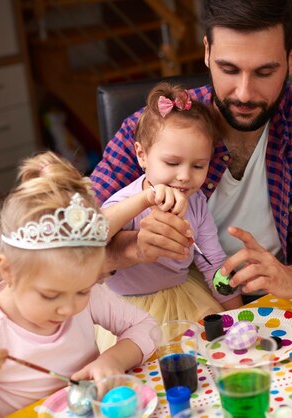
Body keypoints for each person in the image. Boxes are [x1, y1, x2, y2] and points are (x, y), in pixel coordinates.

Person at [90, 0, 292, 299]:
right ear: (207, 53)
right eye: (229, 69)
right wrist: (133, 249)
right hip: (175, 313)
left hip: (281, 307)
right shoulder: (153, 130)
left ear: (291, 58)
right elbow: (62, 243)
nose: (244, 93)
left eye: (264, 72)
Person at [0, 152, 157, 417]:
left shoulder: (90, 298)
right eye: (50, 295)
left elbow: (147, 326)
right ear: (7, 270)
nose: (69, 308)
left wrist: (113, 359)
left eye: (83, 290)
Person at [100, 82, 243, 329]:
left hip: (182, 299)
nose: (185, 176)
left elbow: (213, 265)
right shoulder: (128, 200)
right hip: (125, 310)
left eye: (198, 166)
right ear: (142, 155)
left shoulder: (197, 205)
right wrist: (145, 199)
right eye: (172, 163)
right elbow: (95, 234)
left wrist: (241, 317)